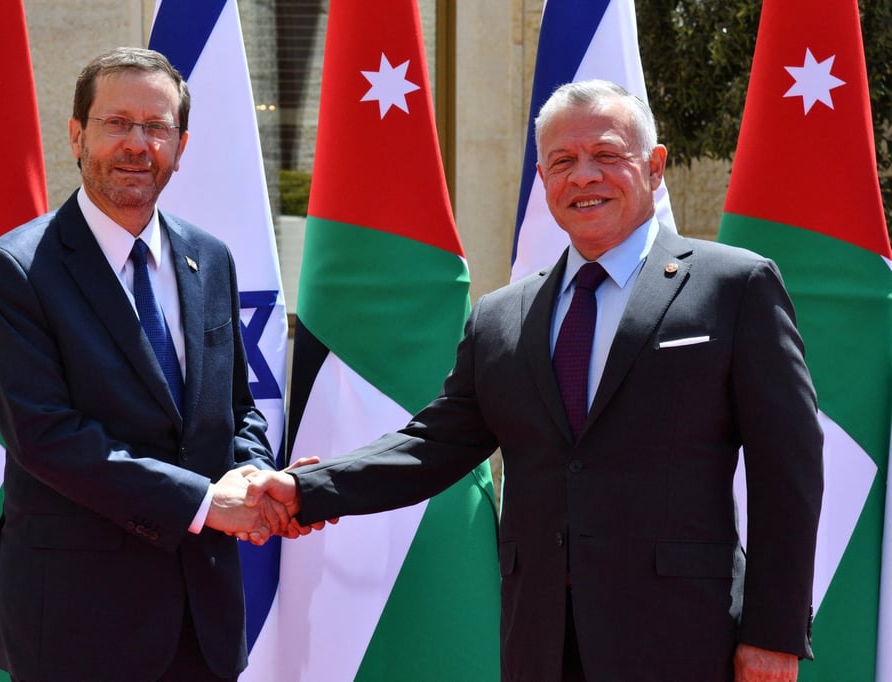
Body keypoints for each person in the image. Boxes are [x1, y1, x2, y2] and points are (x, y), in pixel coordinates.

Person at [249, 80, 824, 682]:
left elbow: (789, 466)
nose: (583, 177)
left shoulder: (734, 287)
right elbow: (432, 445)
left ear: (654, 167)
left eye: (606, 156)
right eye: (562, 162)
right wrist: (305, 488)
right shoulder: (503, 315)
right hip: (542, 641)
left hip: (686, 637)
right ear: (543, 180)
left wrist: (774, 632)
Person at [0, 47, 294, 682]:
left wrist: (252, 480)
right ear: (77, 134)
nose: (137, 144)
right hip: (79, 624)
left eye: (156, 127)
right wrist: (204, 502)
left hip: (204, 620)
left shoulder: (212, 258)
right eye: (117, 123)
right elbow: (47, 438)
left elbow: (236, 409)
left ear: (181, 143)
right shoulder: (15, 272)